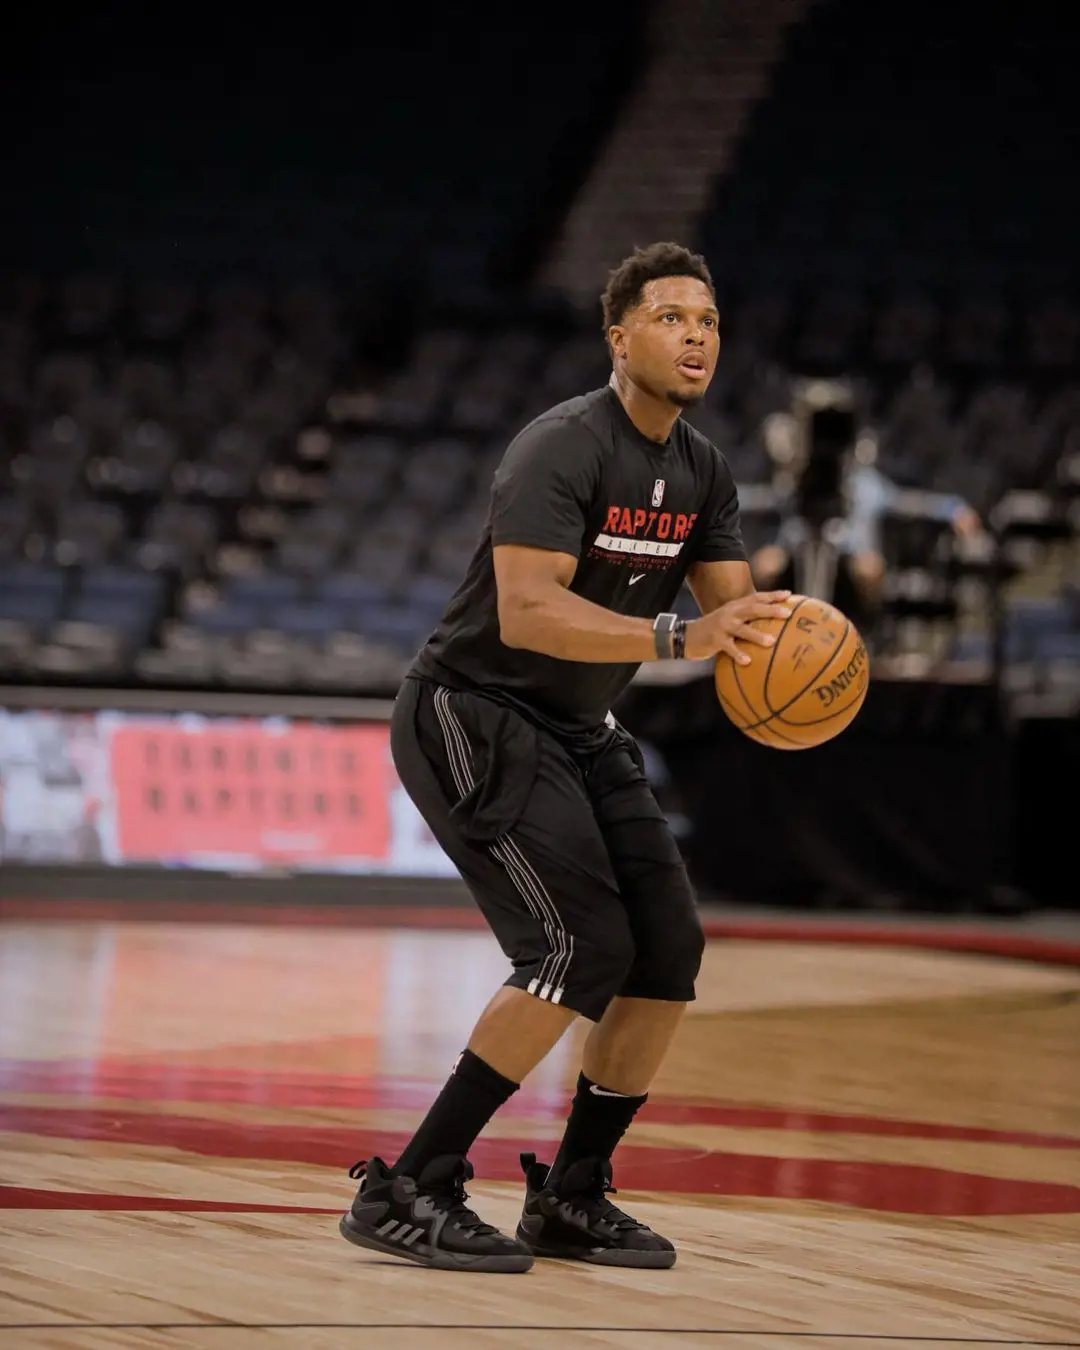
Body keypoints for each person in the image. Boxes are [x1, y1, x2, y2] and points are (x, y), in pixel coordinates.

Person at [340, 243, 792, 1273]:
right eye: (672, 318)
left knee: (666, 950)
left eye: (710, 322)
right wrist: (677, 642)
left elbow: (740, 625)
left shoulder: (704, 470)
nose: (695, 336)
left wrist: (799, 655)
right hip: (475, 708)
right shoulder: (563, 446)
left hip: (582, 727)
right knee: (573, 948)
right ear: (618, 337)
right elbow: (530, 610)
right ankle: (411, 1183)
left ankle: (574, 1195)